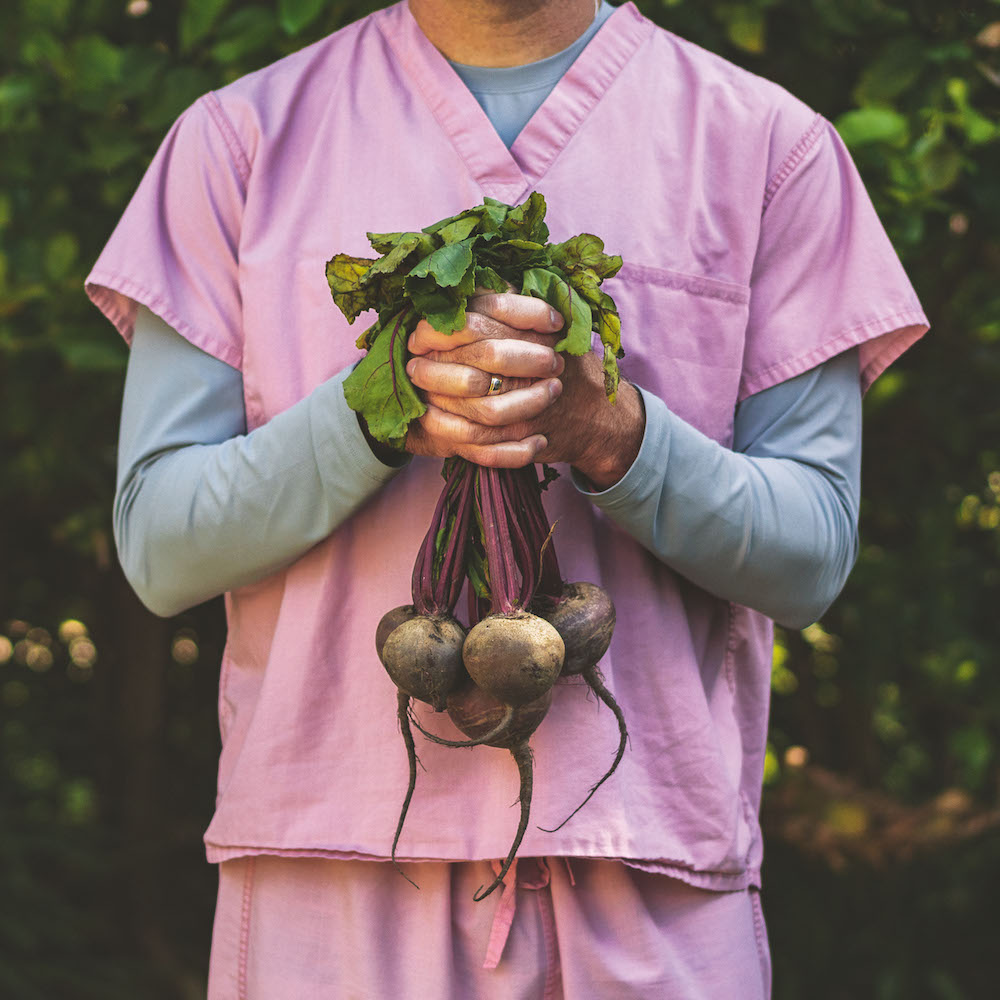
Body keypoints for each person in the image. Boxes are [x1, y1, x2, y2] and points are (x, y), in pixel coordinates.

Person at [86, 1, 928, 996]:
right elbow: (161, 547)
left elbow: (810, 556)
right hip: (327, 869)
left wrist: (610, 430)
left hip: (648, 876)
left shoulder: (770, 150)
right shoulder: (237, 143)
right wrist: (379, 407)